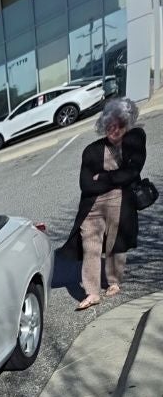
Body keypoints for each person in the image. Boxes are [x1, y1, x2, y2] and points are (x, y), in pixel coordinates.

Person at [57, 97, 146, 310]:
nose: (113, 130)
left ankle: (114, 281)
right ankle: (92, 292)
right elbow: (86, 185)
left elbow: (132, 172)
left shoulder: (135, 140)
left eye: (118, 125)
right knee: (90, 246)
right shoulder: (91, 150)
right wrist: (114, 178)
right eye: (109, 125)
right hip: (93, 205)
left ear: (127, 124)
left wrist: (104, 178)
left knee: (115, 244)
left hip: (120, 202)